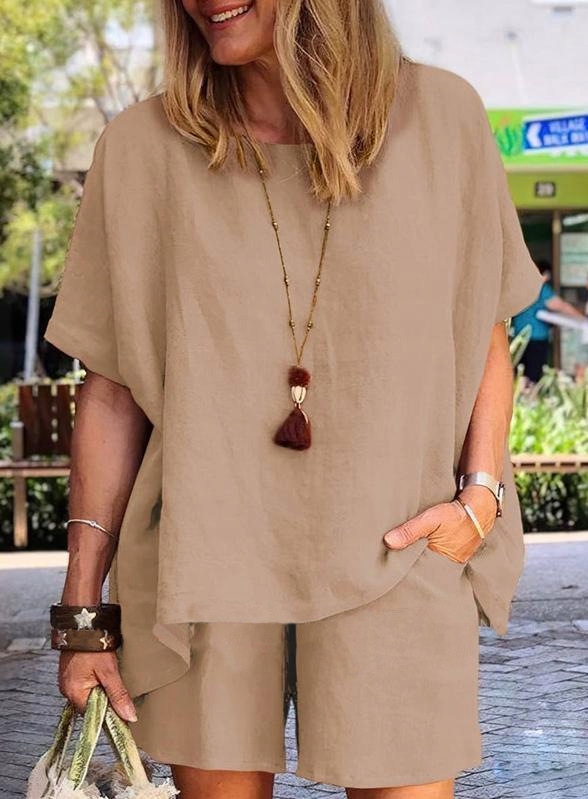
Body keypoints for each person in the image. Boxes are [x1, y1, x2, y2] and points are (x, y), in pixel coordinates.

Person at [43, 2, 545, 797]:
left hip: (400, 546)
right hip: (203, 565)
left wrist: (479, 499)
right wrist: (81, 617)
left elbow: (484, 322)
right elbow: (111, 390)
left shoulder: (443, 121)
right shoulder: (142, 148)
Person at [512, 259, 586, 383]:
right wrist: (581, 318)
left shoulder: (522, 287)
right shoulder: (541, 289)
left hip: (519, 336)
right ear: (545, 274)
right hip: (535, 339)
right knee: (533, 377)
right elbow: (561, 306)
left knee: (520, 377)